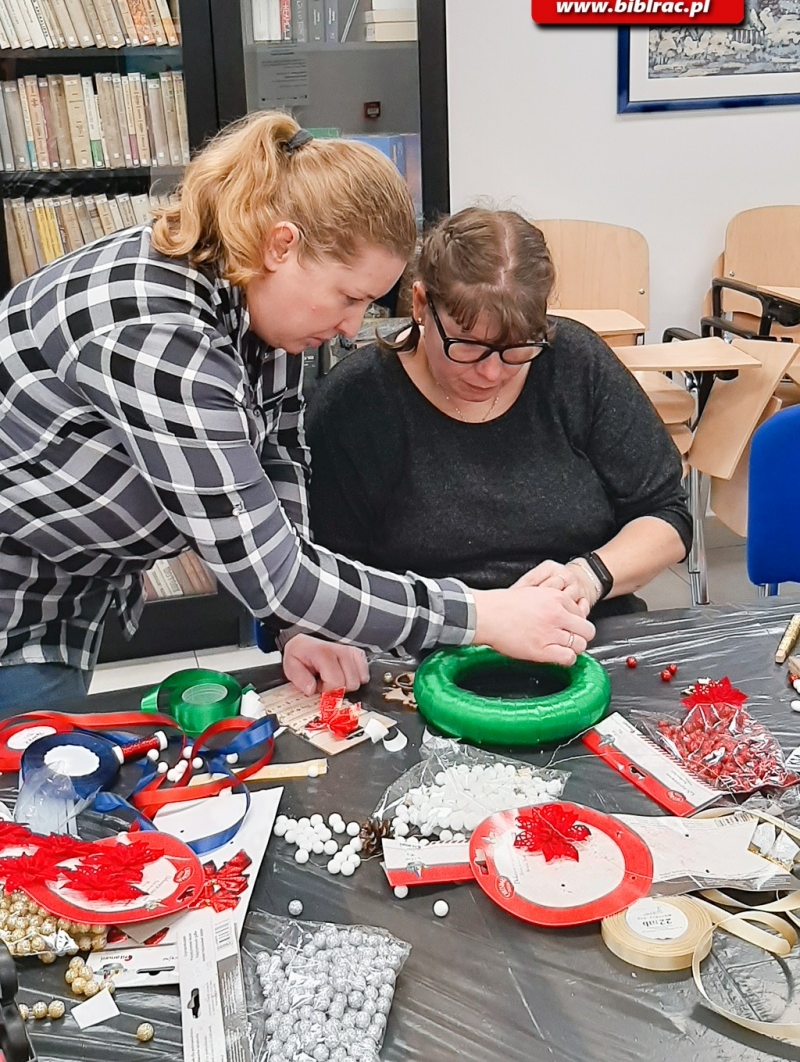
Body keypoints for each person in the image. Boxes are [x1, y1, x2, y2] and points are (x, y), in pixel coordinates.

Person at [0, 117, 594, 712]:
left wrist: (300, 624)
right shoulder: (157, 334)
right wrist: (481, 614)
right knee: (28, 791)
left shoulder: (258, 300)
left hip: (66, 593)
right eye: (349, 296)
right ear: (282, 245)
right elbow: (271, 573)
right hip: (14, 594)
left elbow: (278, 453)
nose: (353, 328)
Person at [307, 207, 691, 622]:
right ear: (421, 304)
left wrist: (588, 576)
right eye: (467, 346)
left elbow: (666, 513)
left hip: (582, 633)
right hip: (426, 649)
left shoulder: (575, 364)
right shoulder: (356, 406)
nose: (492, 372)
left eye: (517, 348)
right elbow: (328, 579)